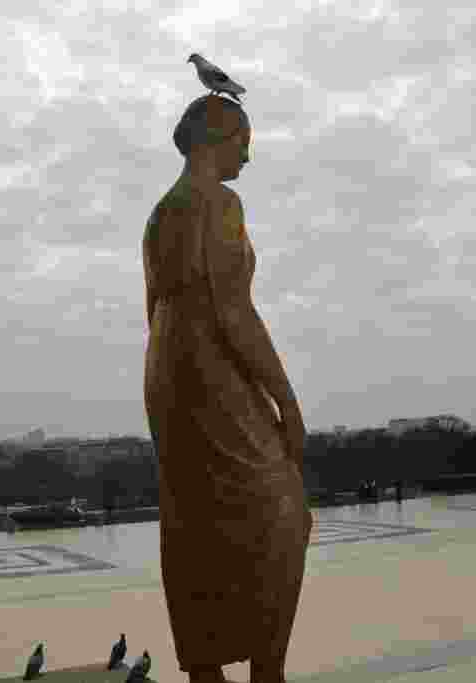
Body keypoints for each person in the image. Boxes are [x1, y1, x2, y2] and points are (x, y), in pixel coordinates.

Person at [143, 94, 312, 683]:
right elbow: (233, 311)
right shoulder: (220, 202)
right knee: (284, 512)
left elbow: (152, 310)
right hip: (210, 363)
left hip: (168, 369)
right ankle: (268, 672)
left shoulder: (161, 212)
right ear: (218, 137)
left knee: (193, 523)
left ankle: (206, 672)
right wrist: (285, 402)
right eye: (244, 141)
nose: (248, 154)